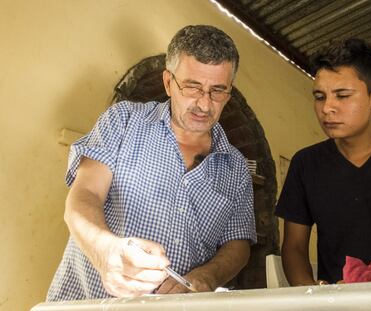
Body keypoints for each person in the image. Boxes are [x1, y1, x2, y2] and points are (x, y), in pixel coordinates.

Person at [47, 25, 256, 301]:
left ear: (228, 94)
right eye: (192, 87)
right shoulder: (123, 121)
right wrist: (105, 250)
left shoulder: (237, 168)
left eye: (217, 91)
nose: (205, 105)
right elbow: (85, 194)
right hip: (88, 303)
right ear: (168, 83)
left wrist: (208, 275)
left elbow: (238, 244)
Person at [276, 38, 371, 286]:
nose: (327, 108)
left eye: (342, 95)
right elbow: (294, 248)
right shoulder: (306, 164)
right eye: (319, 96)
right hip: (339, 302)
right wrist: (314, 299)